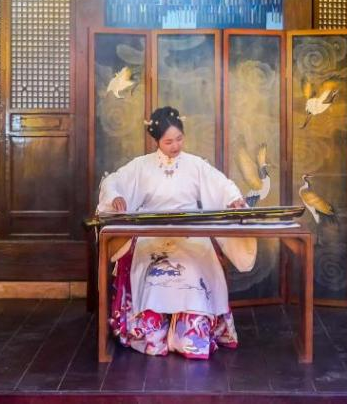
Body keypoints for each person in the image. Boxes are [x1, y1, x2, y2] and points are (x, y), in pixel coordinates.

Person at [98, 105, 256, 359]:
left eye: (179, 139)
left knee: (194, 270)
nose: (175, 146)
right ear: (157, 140)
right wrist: (115, 196)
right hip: (152, 232)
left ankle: (191, 334)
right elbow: (112, 181)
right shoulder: (141, 166)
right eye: (168, 141)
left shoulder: (195, 165)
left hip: (190, 231)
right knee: (152, 272)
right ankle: (154, 333)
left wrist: (233, 199)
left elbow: (222, 185)